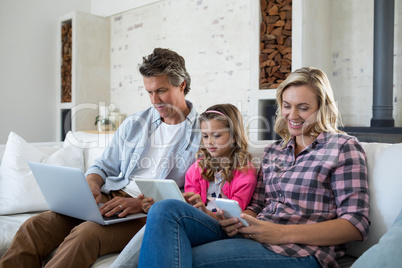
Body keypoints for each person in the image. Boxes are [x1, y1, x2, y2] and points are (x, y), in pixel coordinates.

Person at [137, 67, 370, 268]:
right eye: (287, 106)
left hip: (302, 251)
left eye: (304, 107)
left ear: (322, 108)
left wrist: (279, 233)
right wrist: (238, 219)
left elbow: (356, 224)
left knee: (181, 258)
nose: (292, 115)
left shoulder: (342, 147)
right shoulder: (274, 151)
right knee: (165, 209)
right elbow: (257, 205)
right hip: (254, 236)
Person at [0, 48, 200, 268]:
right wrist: (92, 183)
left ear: (181, 85)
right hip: (110, 198)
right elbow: (103, 165)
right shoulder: (135, 123)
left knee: (86, 234)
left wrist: (139, 204)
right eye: (149, 92)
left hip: (150, 213)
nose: (154, 100)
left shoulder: (204, 133)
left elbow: (194, 194)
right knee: (34, 226)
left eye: (161, 91)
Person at [110, 103, 257, 267]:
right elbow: (187, 203)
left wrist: (205, 212)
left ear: (234, 136)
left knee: (162, 218)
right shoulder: (196, 169)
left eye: (217, 135)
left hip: (223, 228)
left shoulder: (245, 172)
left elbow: (233, 216)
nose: (210, 142)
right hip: (195, 222)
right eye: (205, 136)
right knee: (158, 216)